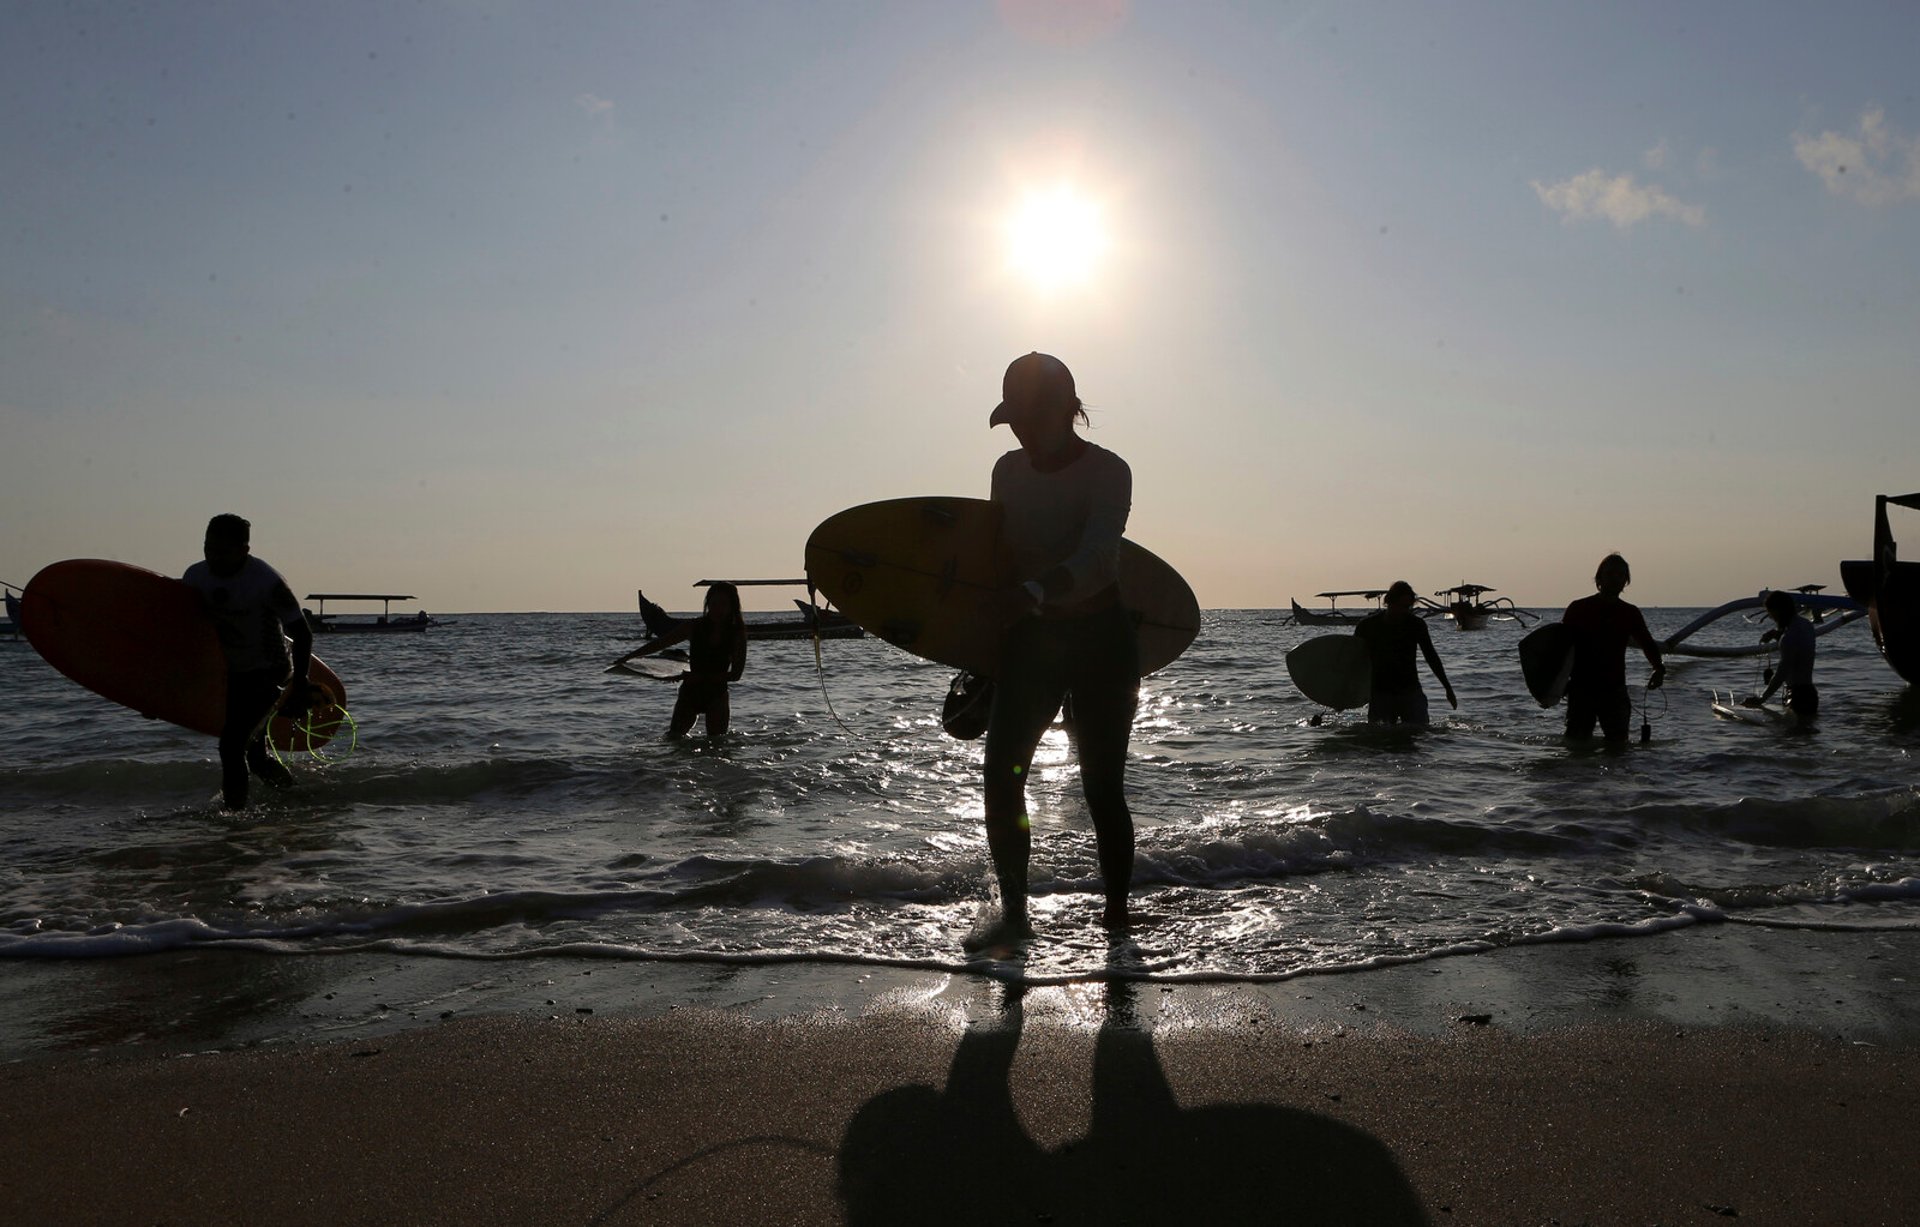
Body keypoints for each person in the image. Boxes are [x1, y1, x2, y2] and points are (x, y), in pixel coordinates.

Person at [975, 352, 1137, 946]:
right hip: (1029, 642)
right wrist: (978, 653)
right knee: (1000, 777)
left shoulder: (1108, 472)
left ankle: (1117, 920)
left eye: (1027, 416)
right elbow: (996, 560)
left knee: (1101, 785)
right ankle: (1015, 915)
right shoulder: (1007, 471)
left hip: (1100, 639)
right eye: (1012, 418)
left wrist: (1034, 592)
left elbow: (1098, 559)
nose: (1018, 428)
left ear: (1067, 411)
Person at [181, 514, 315, 810]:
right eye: (208, 548)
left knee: (231, 745)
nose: (214, 557)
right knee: (255, 756)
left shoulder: (266, 582)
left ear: (244, 550)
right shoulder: (194, 578)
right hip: (231, 673)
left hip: (270, 672)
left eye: (223, 551)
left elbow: (302, 634)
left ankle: (235, 822)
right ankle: (299, 800)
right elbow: (184, 634)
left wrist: (300, 684)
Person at [618, 583, 747, 739]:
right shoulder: (693, 626)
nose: (718, 609)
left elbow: (736, 675)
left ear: (732, 606)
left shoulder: (737, 634)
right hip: (690, 692)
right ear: (707, 604)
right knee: (673, 740)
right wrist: (629, 657)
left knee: (717, 745)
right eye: (714, 604)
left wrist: (700, 677)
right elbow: (661, 643)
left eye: (723, 604)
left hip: (717, 695)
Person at [1561, 553, 1664, 742]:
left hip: (1614, 689)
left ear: (1626, 581)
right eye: (1610, 574)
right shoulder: (1578, 608)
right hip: (1581, 689)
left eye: (1621, 575)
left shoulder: (1629, 613)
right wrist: (1555, 685)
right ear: (1599, 578)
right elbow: (1559, 647)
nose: (1616, 578)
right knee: (1576, 748)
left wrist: (1659, 668)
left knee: (1618, 748)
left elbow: (1647, 643)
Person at [1352, 580, 1457, 725]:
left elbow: (1431, 656)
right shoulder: (1367, 626)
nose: (1404, 611)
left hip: (1410, 689)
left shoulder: (1416, 625)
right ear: (1389, 602)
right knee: (1380, 739)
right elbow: (1354, 661)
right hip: (1380, 692)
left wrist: (1448, 688)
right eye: (1401, 606)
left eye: (1408, 607)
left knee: (1420, 732)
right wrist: (1344, 695)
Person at [1746, 590, 1817, 728]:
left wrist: (1762, 699)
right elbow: (1798, 647)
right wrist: (1777, 634)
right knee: (1806, 741)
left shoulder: (1787, 638)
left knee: (1790, 741)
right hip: (1810, 694)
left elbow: (1781, 673)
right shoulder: (1807, 626)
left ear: (1778, 611)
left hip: (1796, 697)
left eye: (1770, 613)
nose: (1771, 617)